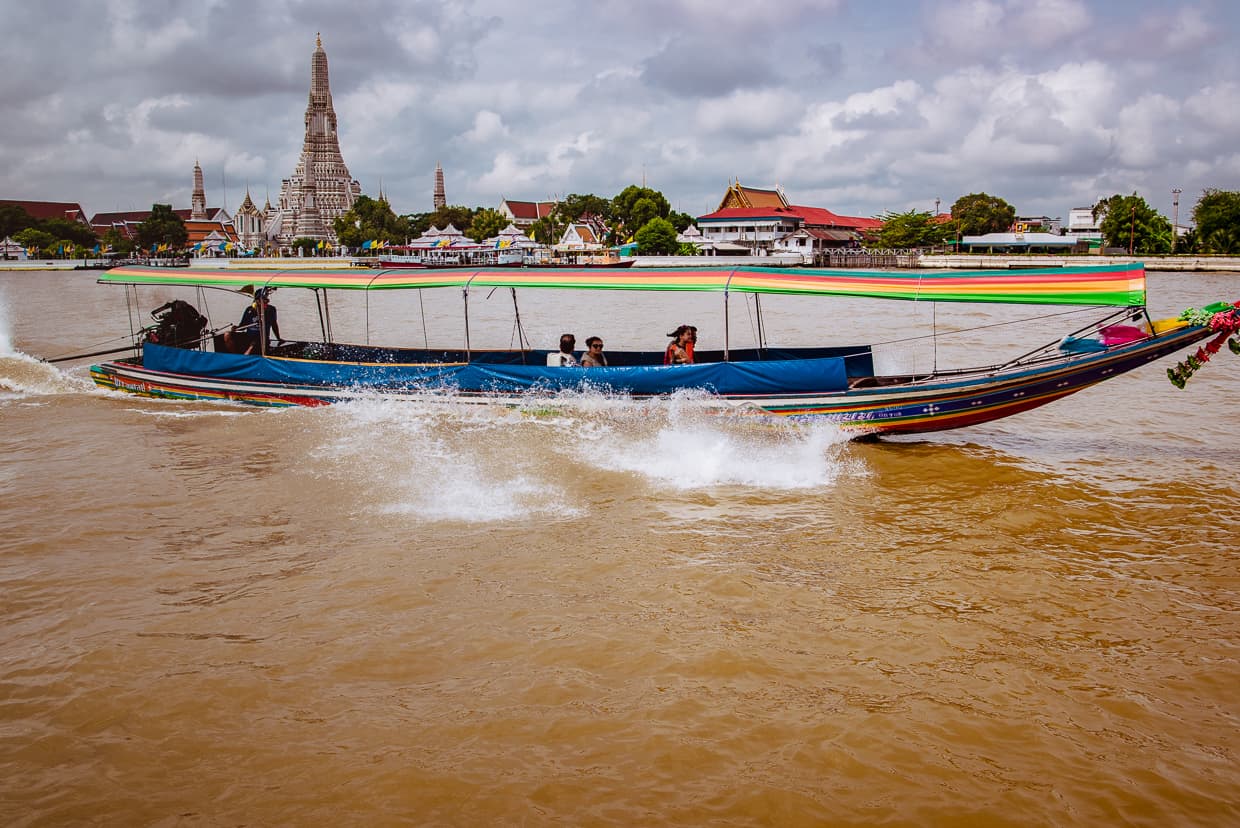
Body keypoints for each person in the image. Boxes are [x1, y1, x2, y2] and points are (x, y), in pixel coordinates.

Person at [225, 288, 281, 354]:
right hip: (248, 336)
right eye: (264, 300)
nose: (267, 301)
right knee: (227, 334)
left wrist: (278, 338)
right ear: (257, 301)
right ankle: (233, 356)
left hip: (261, 339)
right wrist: (236, 328)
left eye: (267, 299)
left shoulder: (271, 310)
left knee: (253, 345)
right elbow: (243, 326)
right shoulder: (249, 310)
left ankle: (244, 358)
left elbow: (274, 324)